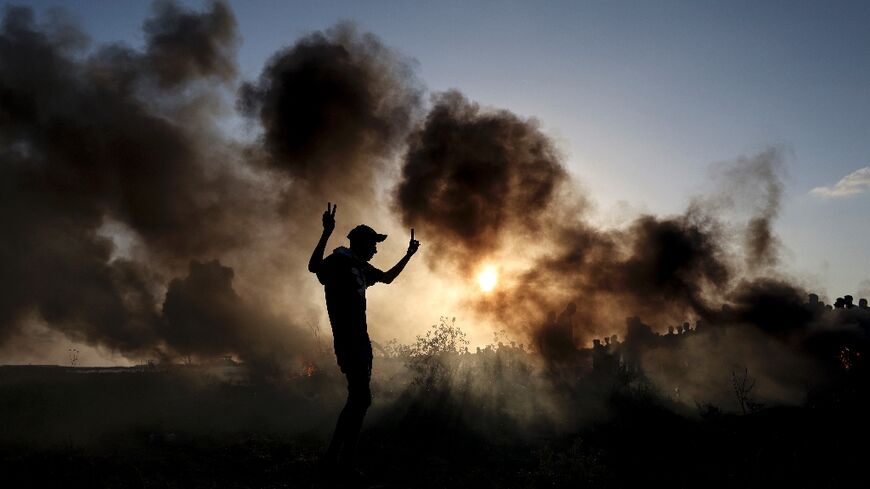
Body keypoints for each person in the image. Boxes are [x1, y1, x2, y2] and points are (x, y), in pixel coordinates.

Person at [308, 202, 420, 477]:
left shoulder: (360, 267)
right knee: (361, 397)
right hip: (348, 341)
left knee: (360, 399)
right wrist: (326, 232)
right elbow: (314, 267)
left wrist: (408, 255)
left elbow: (388, 279)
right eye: (373, 243)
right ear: (360, 243)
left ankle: (338, 459)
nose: (375, 249)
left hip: (361, 341)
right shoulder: (339, 262)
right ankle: (338, 460)